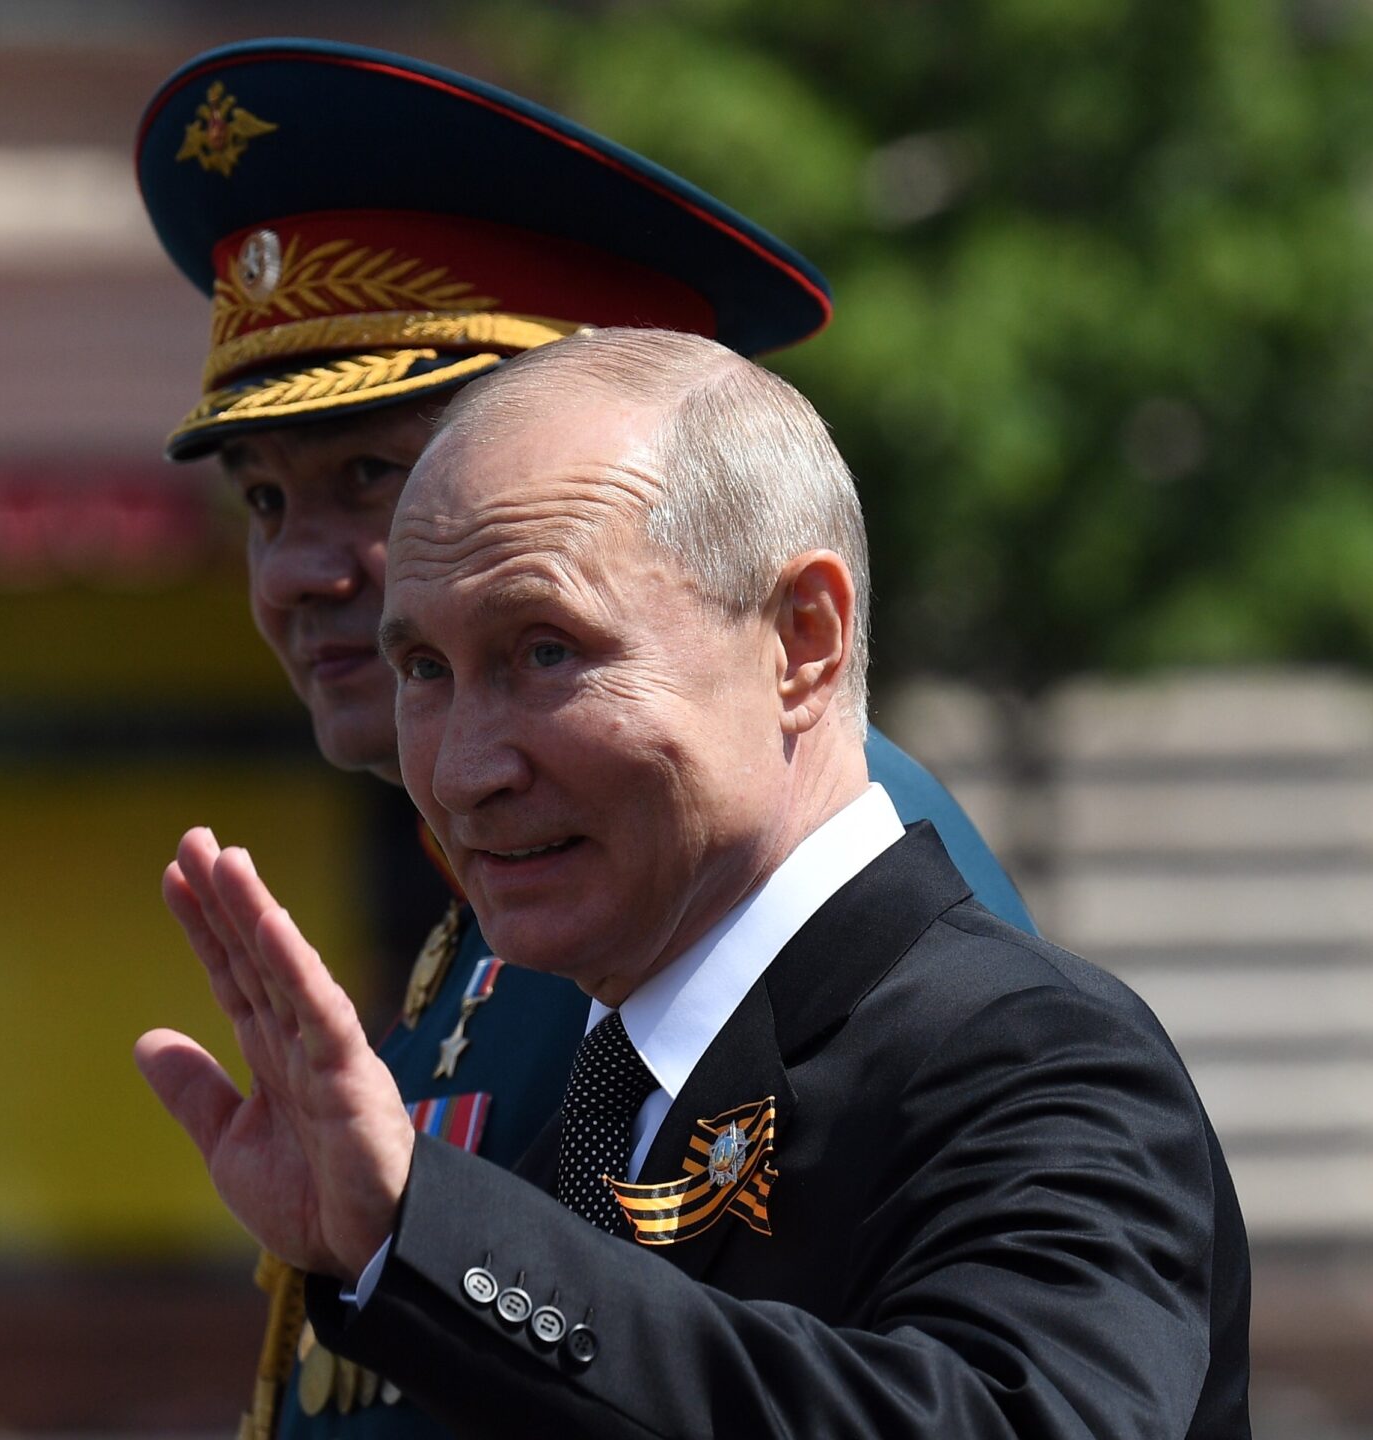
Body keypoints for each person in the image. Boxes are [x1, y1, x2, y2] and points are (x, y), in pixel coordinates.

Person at [133, 39, 1035, 1437]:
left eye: (371, 476)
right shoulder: (497, 902)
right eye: (264, 501)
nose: (299, 569)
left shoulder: (810, 881)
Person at [136, 327, 1251, 1438]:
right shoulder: (600, 1086)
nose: (466, 771)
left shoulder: (1032, 1057)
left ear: (801, 641)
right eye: (423, 669)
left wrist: (426, 1229)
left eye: (546, 651)